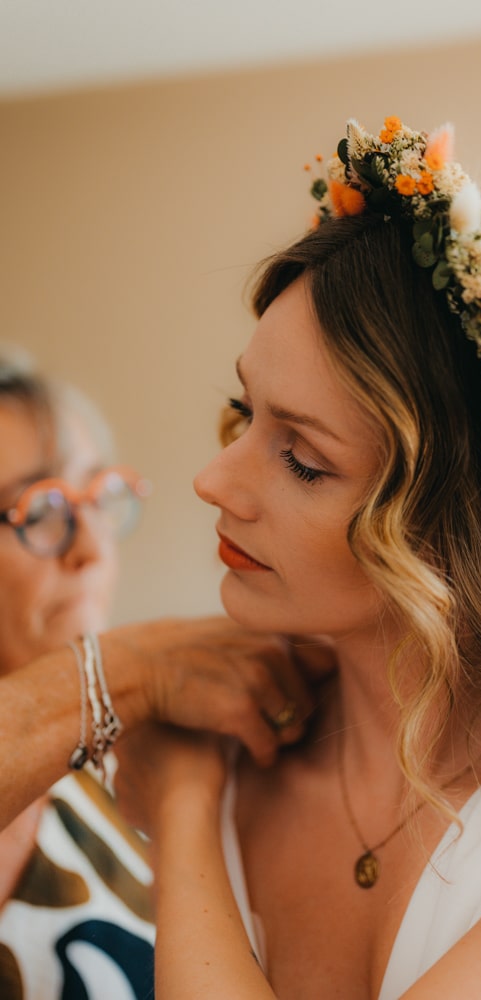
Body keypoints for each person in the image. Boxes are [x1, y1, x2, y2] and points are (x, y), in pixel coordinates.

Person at [114, 115, 481, 999]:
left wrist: (183, 811)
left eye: (304, 459)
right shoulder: (225, 720)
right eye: (242, 410)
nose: (213, 480)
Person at [0, 355, 319, 999]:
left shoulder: (135, 771)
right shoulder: (134, 693)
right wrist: (131, 670)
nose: (91, 549)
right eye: (40, 512)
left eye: (100, 497)